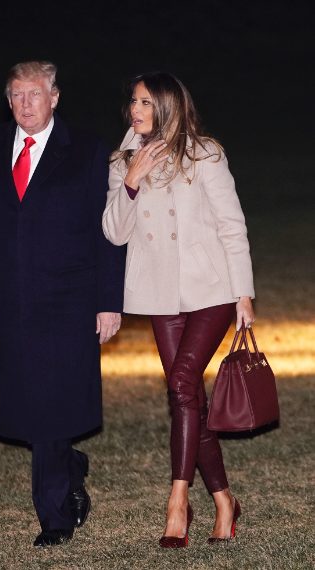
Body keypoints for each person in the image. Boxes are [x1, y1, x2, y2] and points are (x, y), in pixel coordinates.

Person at [0, 61, 124, 547]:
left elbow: (107, 233)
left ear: (55, 98)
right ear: (8, 101)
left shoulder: (86, 150)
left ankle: (55, 515)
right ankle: (71, 463)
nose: (25, 104)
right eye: (17, 96)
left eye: (35, 94)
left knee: (52, 402)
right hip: (11, 299)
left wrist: (109, 301)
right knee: (27, 405)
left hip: (69, 299)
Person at [102, 71, 255, 547]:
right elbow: (113, 233)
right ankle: (225, 500)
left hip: (212, 290)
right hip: (159, 294)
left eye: (145, 102)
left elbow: (232, 225)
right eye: (133, 101)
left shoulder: (205, 154)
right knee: (187, 396)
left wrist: (243, 293)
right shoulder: (123, 161)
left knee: (183, 382)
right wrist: (131, 181)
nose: (135, 110)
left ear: (168, 106)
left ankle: (177, 501)